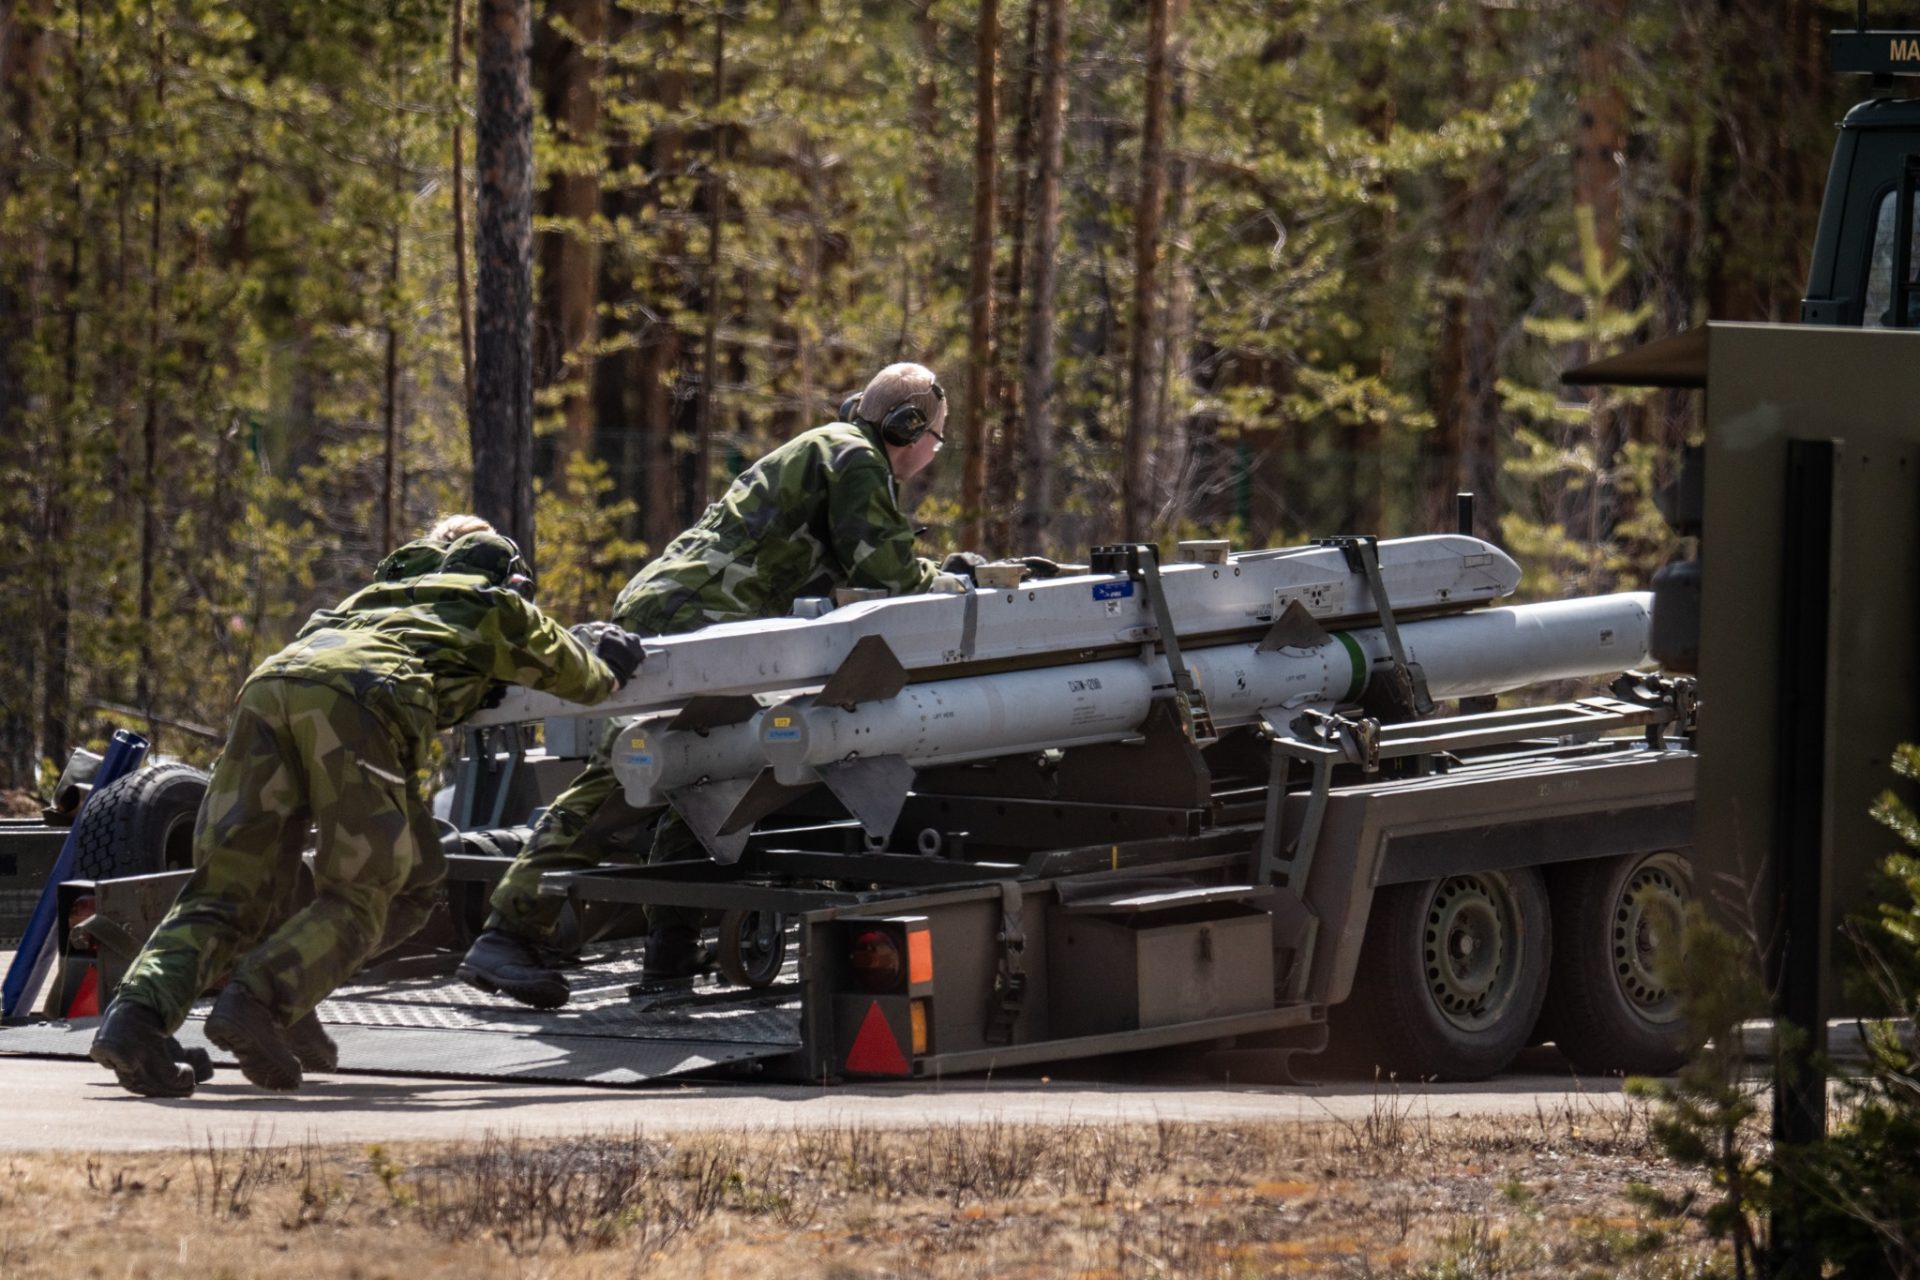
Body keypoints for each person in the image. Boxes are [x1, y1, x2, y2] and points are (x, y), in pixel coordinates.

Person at [460, 361, 967, 1007]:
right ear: (909, 426)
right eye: (937, 438)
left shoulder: (834, 450)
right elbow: (886, 573)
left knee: (700, 772)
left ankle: (668, 954)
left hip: (699, 612)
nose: (933, 453)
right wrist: (953, 580)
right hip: (694, 613)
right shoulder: (854, 457)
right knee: (627, 777)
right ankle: (509, 933)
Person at [90, 527, 646, 1097]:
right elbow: (583, 679)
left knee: (238, 888)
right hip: (366, 696)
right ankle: (261, 998)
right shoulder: (493, 602)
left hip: (271, 685)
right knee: (362, 892)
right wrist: (609, 657)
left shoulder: (365, 601)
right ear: (513, 578)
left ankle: (137, 1020)